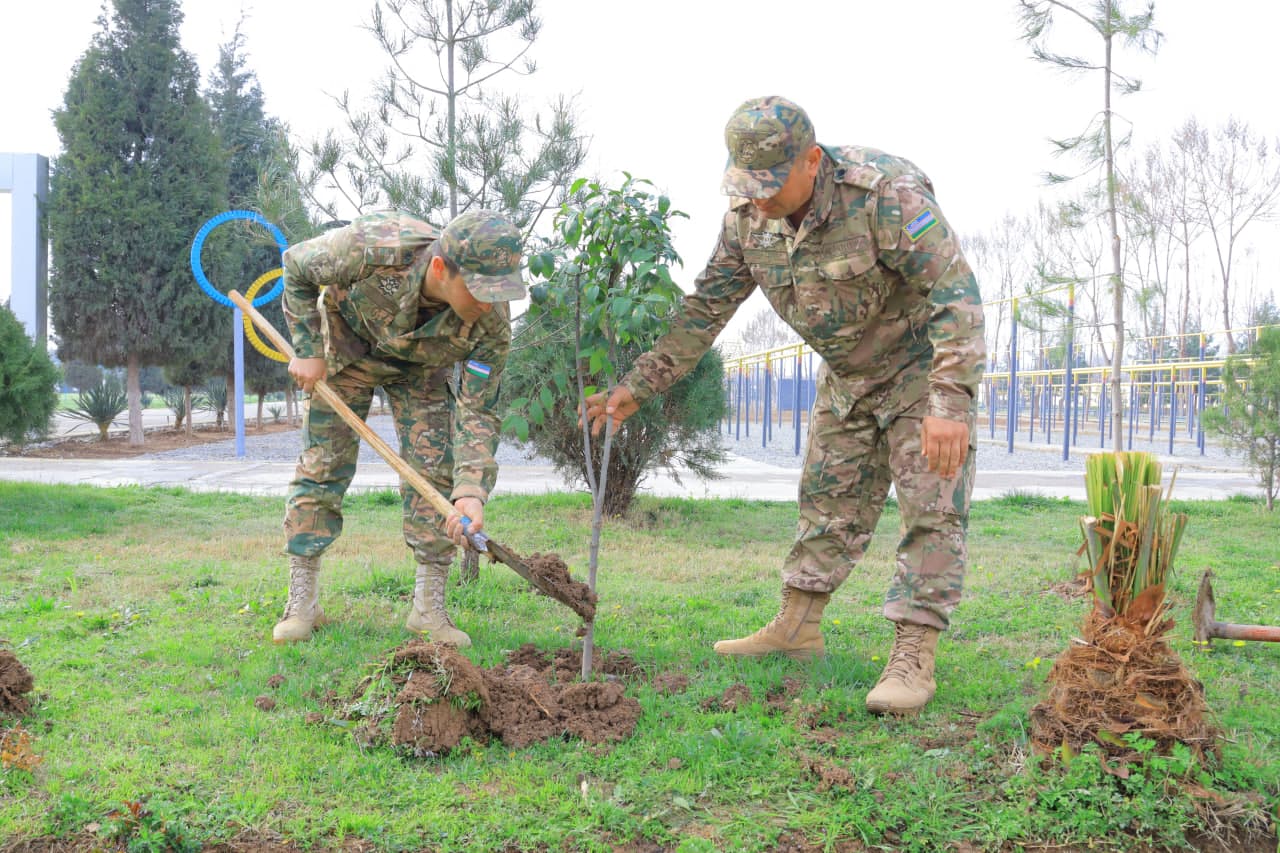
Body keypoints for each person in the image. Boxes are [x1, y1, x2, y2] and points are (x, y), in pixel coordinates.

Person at [585, 96, 986, 714]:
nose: (759, 199)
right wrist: (637, 386)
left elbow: (954, 291)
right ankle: (797, 629)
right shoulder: (747, 220)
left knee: (931, 509)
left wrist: (950, 402)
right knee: (825, 502)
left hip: (917, 373)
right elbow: (704, 309)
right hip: (848, 378)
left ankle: (914, 655)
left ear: (812, 162)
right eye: (746, 184)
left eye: (770, 183)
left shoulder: (886, 196)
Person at [273, 209, 525, 647]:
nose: (490, 303)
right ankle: (303, 602)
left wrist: (471, 489)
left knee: (434, 474)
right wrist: (308, 350)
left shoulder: (491, 323)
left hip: (420, 370)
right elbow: (296, 265)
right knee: (322, 466)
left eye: (501, 291)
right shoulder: (376, 245)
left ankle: (429, 609)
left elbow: (478, 410)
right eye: (481, 290)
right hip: (346, 353)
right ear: (441, 269)